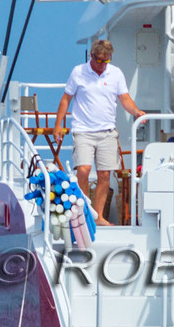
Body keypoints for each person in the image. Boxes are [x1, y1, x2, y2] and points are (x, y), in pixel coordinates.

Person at [51, 38, 145, 228]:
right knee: (83, 171)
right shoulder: (78, 72)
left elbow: (125, 98)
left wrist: (136, 112)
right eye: (99, 60)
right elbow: (65, 99)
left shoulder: (115, 73)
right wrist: (58, 125)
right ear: (92, 56)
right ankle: (84, 213)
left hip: (107, 132)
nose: (102, 65)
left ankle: (98, 217)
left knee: (104, 175)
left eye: (106, 61)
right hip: (83, 130)